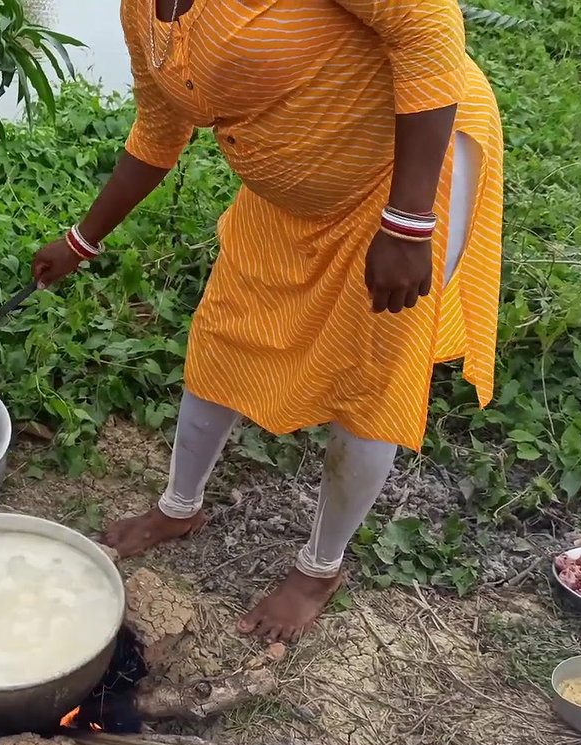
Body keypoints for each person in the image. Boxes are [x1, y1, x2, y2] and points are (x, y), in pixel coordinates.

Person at [32, 0, 504, 643]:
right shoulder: (141, 8)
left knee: (368, 378)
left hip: (399, 181)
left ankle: (319, 569)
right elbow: (158, 128)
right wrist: (83, 239)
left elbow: (429, 29)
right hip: (284, 196)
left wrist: (410, 220)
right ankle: (179, 508)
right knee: (222, 335)